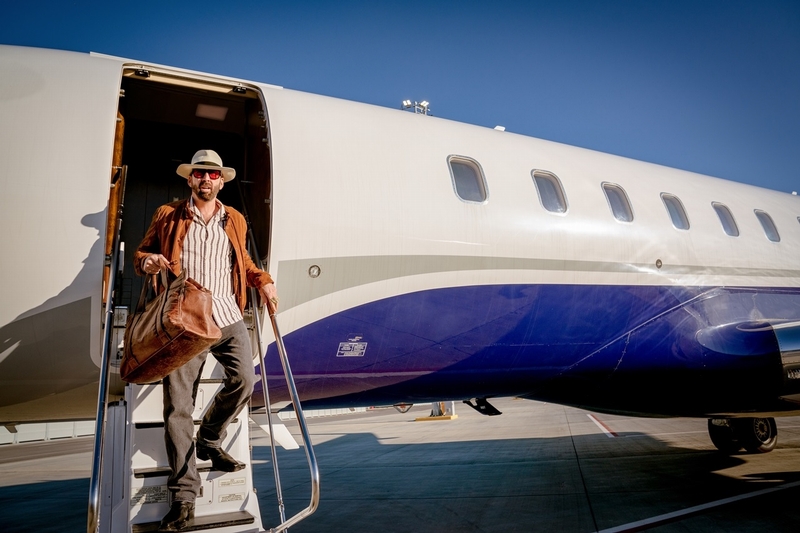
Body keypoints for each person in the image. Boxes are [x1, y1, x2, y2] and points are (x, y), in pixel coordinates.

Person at [134, 149, 278, 532]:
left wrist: (263, 282)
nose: (206, 180)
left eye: (213, 174)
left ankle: (210, 438)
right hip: (185, 322)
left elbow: (243, 262)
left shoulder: (235, 219)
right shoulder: (168, 215)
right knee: (178, 408)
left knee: (245, 379)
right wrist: (147, 261)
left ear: (221, 181)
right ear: (190, 179)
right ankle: (184, 497)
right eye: (200, 173)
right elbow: (141, 254)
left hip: (227, 315)